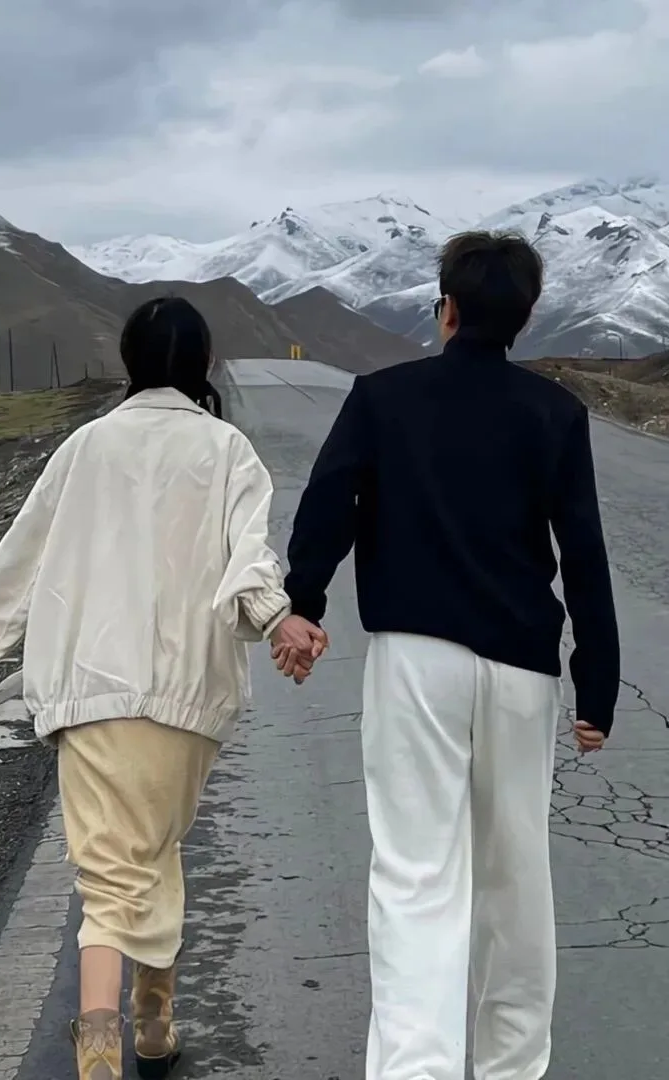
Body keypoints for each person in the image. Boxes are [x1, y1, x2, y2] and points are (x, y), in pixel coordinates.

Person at [0, 296, 326, 1080]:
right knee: (151, 852)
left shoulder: (85, 447)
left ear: (130, 361)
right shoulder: (227, 450)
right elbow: (250, 560)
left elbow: (19, 560)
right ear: (202, 363)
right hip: (187, 694)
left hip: (90, 687)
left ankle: (99, 1056)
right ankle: (153, 1026)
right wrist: (277, 621)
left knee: (109, 878)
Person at [274, 231, 619, 1080]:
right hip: (522, 668)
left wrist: (304, 603)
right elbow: (583, 552)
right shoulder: (555, 413)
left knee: (415, 873)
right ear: (525, 318)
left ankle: (415, 1068)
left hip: (415, 658)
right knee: (515, 874)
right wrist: (597, 685)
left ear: (448, 310)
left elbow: (329, 503)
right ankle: (512, 1066)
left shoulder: (382, 398)